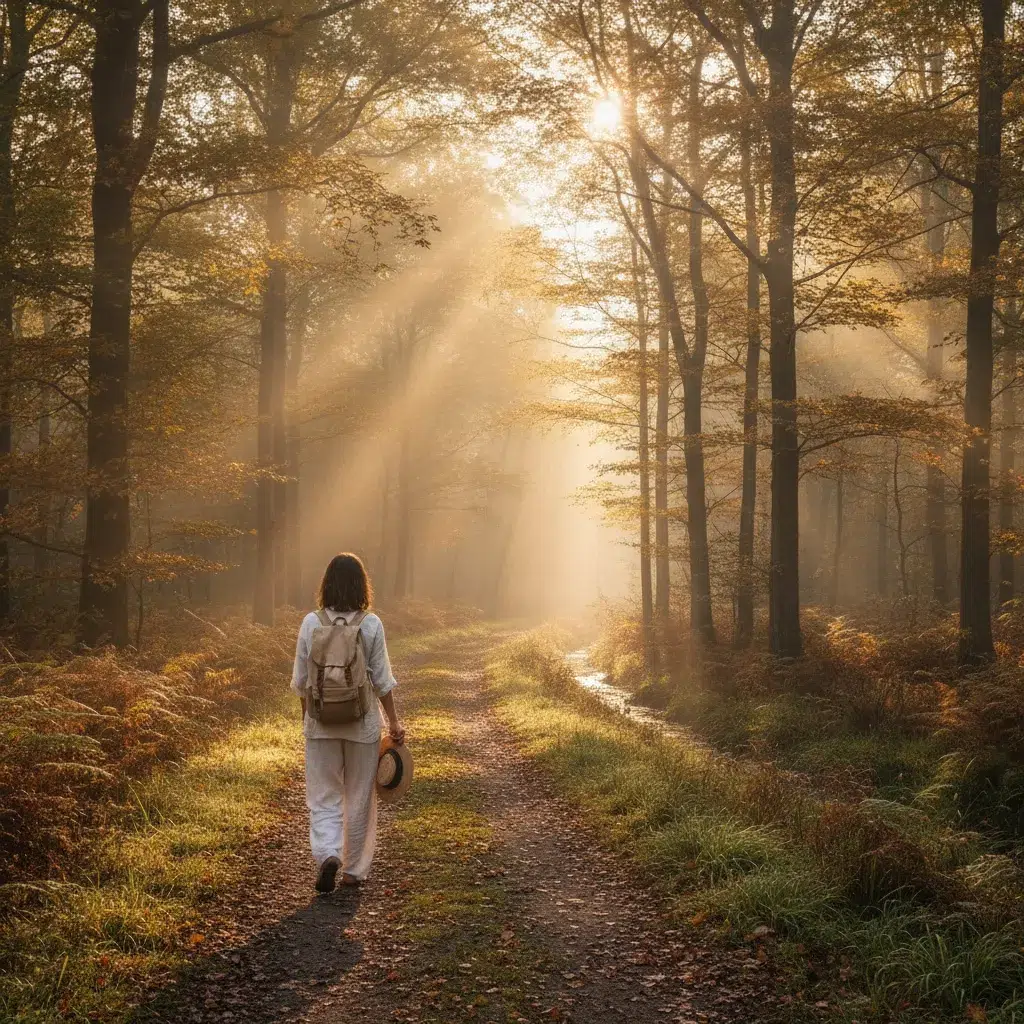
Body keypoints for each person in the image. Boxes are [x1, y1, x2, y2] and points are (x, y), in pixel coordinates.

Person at [291, 553, 406, 893]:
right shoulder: (370, 624)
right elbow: (382, 681)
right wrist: (394, 724)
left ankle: (328, 853)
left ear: (326, 584)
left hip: (320, 724)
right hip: (362, 725)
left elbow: (300, 681)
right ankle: (353, 871)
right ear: (362, 584)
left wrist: (309, 718)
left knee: (323, 796)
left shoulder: (311, 623)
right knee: (359, 796)